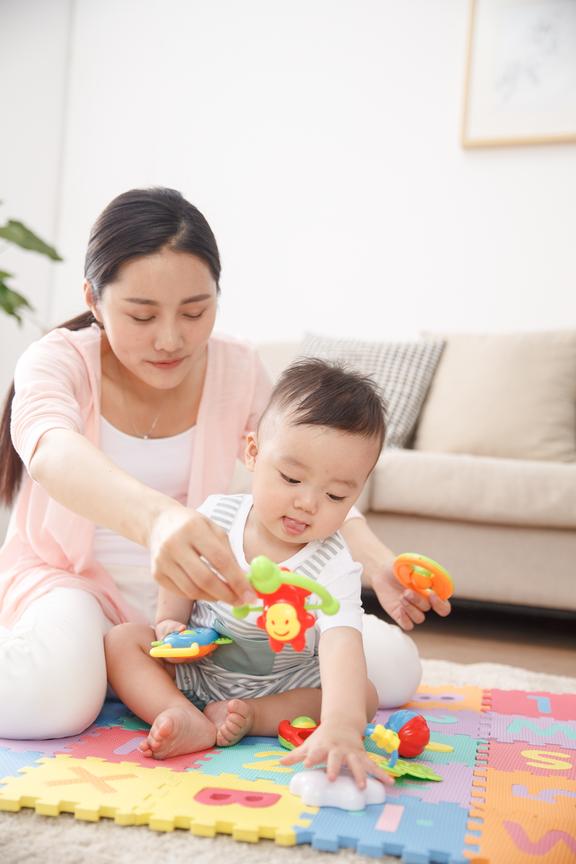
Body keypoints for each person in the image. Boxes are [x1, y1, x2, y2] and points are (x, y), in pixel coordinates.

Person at [0, 187, 449, 740]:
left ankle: (156, 687)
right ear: (94, 300)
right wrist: (158, 520)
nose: (171, 339)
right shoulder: (58, 360)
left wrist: (378, 562)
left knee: (393, 669)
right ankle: (86, 663)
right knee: (53, 702)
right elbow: (50, 449)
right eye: (142, 315)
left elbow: (304, 472)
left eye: (195, 311)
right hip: (75, 588)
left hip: (205, 614)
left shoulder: (236, 367)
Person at [105, 359, 394, 789]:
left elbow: (341, 647)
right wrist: (171, 620)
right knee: (122, 641)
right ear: (253, 453)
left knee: (362, 696)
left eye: (336, 494)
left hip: (284, 687)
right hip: (197, 673)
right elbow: (179, 574)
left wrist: (341, 727)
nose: (308, 503)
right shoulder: (215, 515)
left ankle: (252, 717)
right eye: (292, 478)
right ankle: (181, 713)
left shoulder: (333, 562)